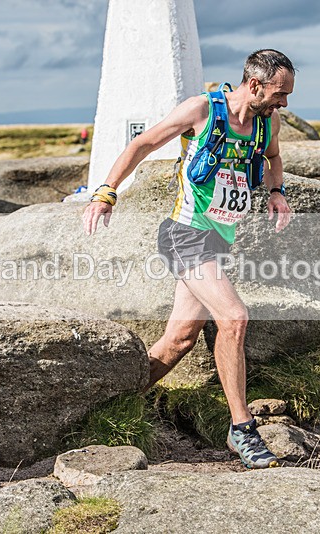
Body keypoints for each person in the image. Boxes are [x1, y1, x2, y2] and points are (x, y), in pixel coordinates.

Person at [83, 49, 294, 468]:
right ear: (254, 84)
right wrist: (106, 192)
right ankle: (242, 429)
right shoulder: (201, 109)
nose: (284, 102)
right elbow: (142, 143)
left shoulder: (266, 123)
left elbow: (271, 158)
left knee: (179, 341)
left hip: (217, 240)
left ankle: (111, 403)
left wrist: (276, 192)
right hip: (184, 235)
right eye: (279, 93)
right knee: (234, 318)